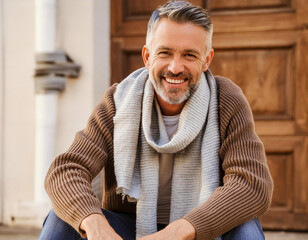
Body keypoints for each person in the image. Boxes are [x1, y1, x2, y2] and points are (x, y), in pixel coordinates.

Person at [38, 1, 273, 239]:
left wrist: (178, 231)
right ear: (147, 57)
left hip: (199, 230)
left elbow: (251, 185)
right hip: (130, 229)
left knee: (246, 228)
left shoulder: (226, 100)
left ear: (207, 60)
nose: (175, 66)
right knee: (64, 218)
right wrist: (95, 223)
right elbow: (67, 169)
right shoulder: (118, 101)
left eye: (189, 55)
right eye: (165, 53)